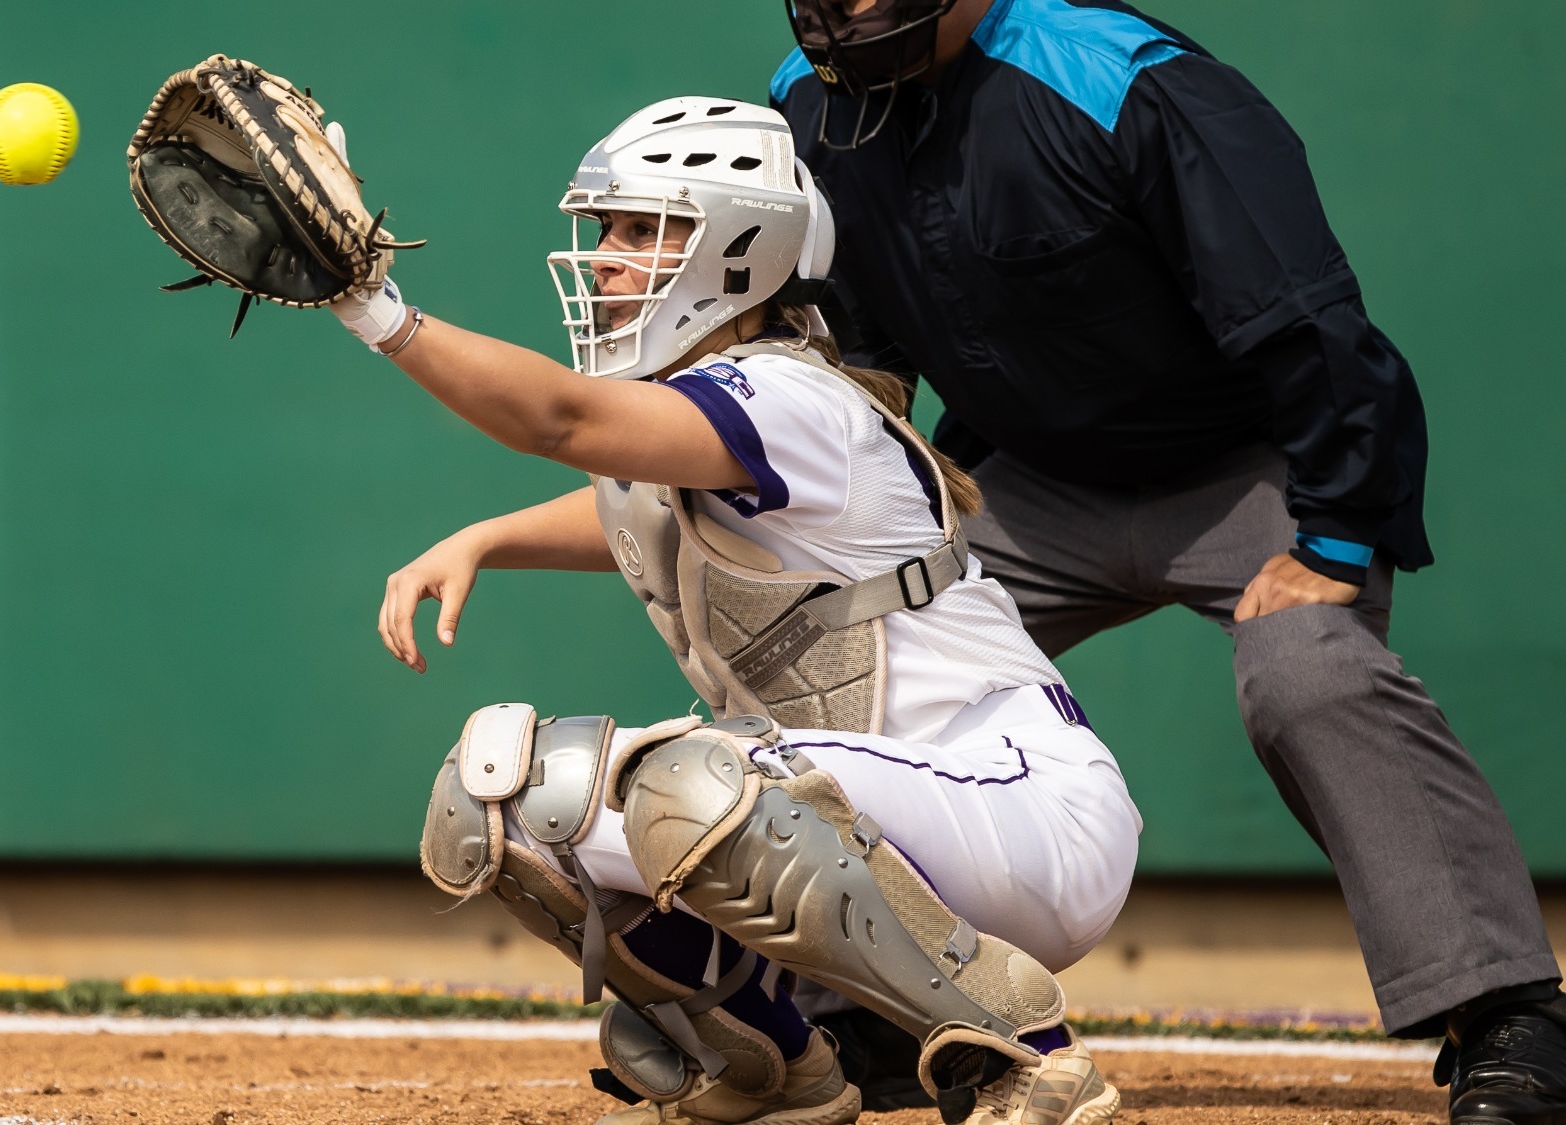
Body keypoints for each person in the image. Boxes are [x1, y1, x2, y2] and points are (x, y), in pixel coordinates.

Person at [769, 2, 1566, 1122]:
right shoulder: (803, 108)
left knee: (1307, 672)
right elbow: (861, 349)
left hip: (1246, 467)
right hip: (1029, 477)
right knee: (847, 662)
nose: (848, 10)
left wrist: (1332, 534)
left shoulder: (1122, 83)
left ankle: (1508, 1015)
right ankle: (884, 1011)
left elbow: (1305, 317)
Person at [323, 97, 1141, 1125]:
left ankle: (1034, 1055)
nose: (608, 258)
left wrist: (377, 310)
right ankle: (776, 1067)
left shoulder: (784, 394)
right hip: (891, 833)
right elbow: (636, 509)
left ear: (739, 247)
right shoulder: (729, 410)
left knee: (701, 780)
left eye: (641, 230)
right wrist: (487, 538)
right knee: (508, 806)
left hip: (1022, 814)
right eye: (605, 230)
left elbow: (558, 419)